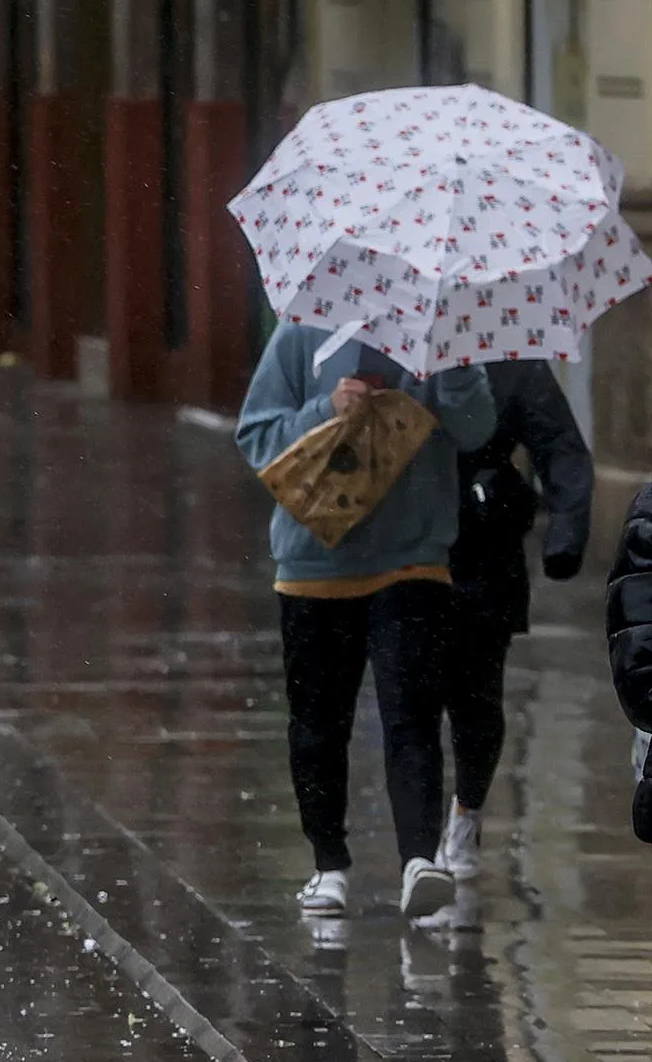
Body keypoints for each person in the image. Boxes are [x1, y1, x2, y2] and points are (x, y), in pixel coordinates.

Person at [236, 324, 494, 921]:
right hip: (313, 559)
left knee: (414, 714)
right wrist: (327, 409)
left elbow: (478, 428)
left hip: (414, 559)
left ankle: (418, 861)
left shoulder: (447, 330)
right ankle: (329, 866)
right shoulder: (304, 331)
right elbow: (256, 435)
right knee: (319, 721)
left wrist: (452, 373)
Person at [438, 361, 592, 879]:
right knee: (408, 698)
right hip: (402, 544)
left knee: (476, 695)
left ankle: (466, 810)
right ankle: (417, 841)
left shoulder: (510, 355)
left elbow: (560, 444)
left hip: (485, 547)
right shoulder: (394, 339)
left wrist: (566, 539)